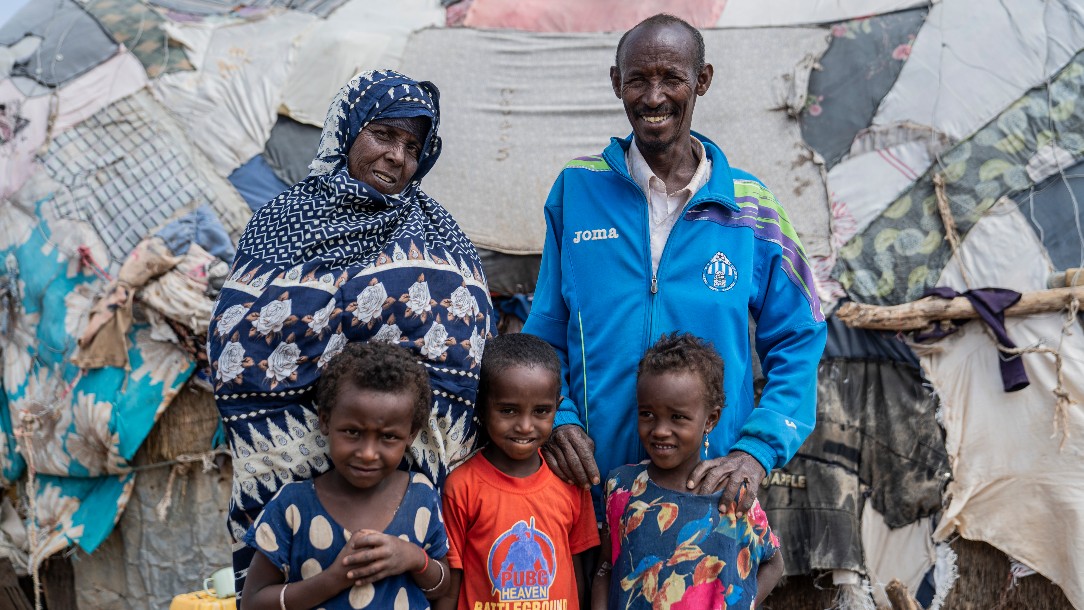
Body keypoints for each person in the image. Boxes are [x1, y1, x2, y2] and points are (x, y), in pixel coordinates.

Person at [523, 14, 826, 518]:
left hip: (706, 498)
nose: (654, 96)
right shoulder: (577, 190)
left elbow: (801, 333)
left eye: (672, 78)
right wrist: (560, 417)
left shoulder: (751, 209)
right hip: (590, 490)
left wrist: (756, 451)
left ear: (702, 80)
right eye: (638, 79)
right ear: (617, 82)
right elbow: (546, 331)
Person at [207, 70, 493, 595]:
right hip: (288, 474)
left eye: (412, 145)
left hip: (412, 490)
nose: (397, 157)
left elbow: (469, 341)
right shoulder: (279, 222)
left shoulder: (438, 233)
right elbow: (236, 337)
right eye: (383, 135)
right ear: (347, 129)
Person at [241, 342, 451, 609]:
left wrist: (414, 559)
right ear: (325, 420)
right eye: (352, 432)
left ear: (410, 434)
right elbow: (252, 602)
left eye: (388, 437)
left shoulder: (421, 495)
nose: (367, 453)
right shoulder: (293, 506)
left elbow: (441, 588)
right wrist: (333, 579)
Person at [593, 333, 783, 609]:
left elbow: (774, 562)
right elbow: (606, 569)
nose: (659, 430)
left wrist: (744, 602)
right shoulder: (621, 487)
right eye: (647, 414)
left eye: (677, 417)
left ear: (711, 420)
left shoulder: (732, 496)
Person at [439, 333, 599, 610]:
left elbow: (576, 572)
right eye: (509, 410)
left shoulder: (569, 482)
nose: (525, 426)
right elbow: (452, 583)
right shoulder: (462, 486)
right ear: (483, 406)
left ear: (557, 408)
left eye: (541, 411)